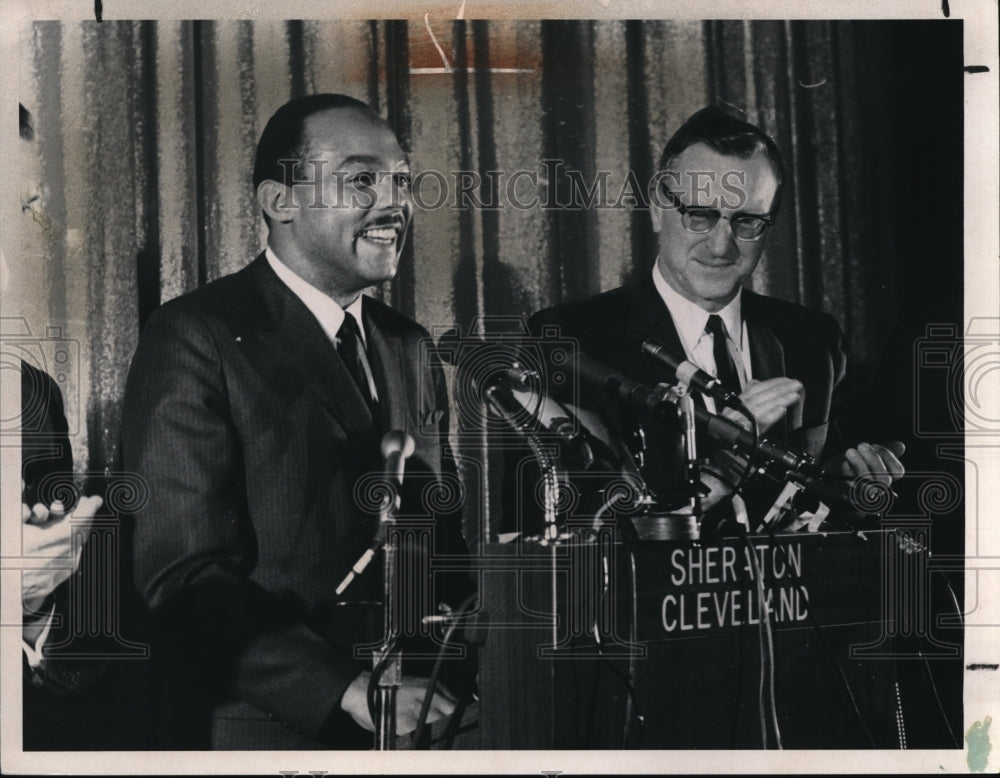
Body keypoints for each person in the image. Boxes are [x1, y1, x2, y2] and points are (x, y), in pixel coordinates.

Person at [121, 94, 471, 750]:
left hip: (421, 716)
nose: (396, 203)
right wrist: (347, 689)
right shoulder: (198, 335)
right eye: (362, 179)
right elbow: (180, 573)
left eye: (401, 181)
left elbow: (435, 536)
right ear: (280, 202)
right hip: (266, 727)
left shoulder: (409, 345)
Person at [522, 106, 905, 535]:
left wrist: (856, 490)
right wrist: (733, 447)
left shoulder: (813, 340)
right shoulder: (568, 340)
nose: (721, 246)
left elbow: (827, 501)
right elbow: (566, 528)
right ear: (656, 208)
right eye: (700, 215)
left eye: (747, 222)